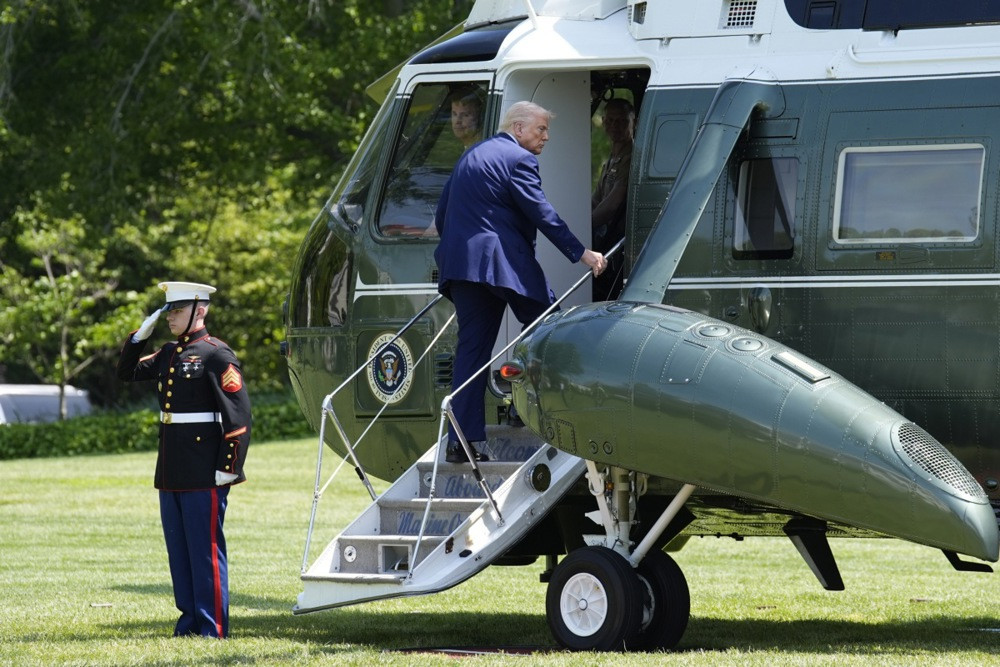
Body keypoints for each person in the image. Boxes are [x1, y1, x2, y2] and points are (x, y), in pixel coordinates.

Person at [434, 101, 606, 463]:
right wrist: (582, 254)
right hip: (502, 262)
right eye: (541, 129)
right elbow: (541, 212)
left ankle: (460, 443)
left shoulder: (473, 154)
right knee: (550, 325)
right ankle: (522, 407)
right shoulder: (519, 159)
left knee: (473, 352)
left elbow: (441, 211)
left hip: (462, 266)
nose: (546, 137)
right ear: (518, 128)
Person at [116, 281, 252, 639]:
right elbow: (126, 372)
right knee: (179, 552)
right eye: (168, 312)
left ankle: (213, 627)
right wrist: (137, 338)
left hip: (205, 469)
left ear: (200, 311)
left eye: (177, 311)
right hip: (172, 468)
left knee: (204, 551)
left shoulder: (216, 354)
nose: (170, 318)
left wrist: (229, 466)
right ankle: (189, 623)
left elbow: (238, 417)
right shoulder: (166, 353)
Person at [591, 98, 635, 300]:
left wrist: (585, 226)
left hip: (619, 245)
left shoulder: (631, 156)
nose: (615, 126)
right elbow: (597, 199)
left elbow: (613, 204)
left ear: (632, 122)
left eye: (622, 121)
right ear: (604, 122)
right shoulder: (612, 158)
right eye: (611, 121)